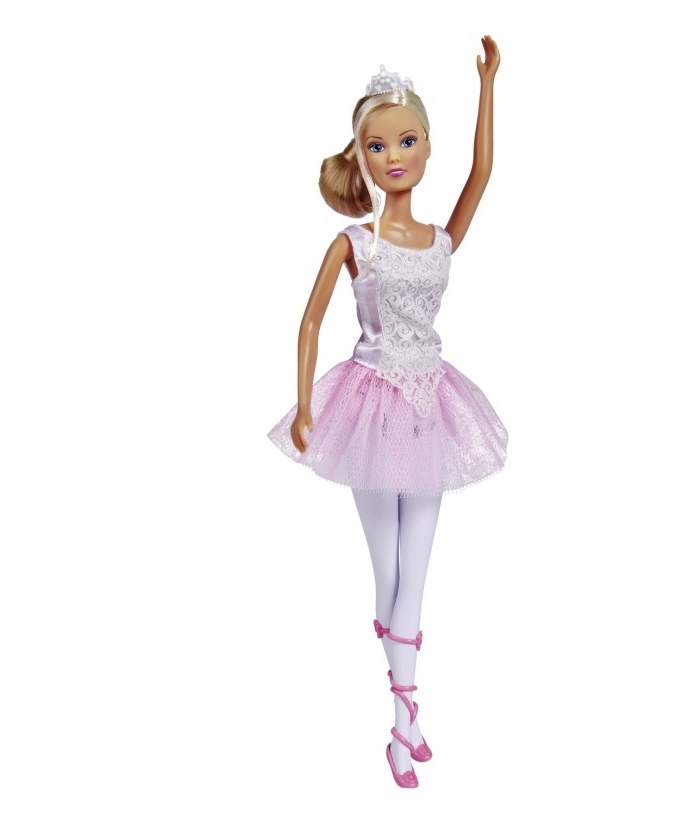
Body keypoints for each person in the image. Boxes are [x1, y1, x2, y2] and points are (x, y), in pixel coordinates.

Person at [267, 36, 506, 788]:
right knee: (388, 566)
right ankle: (405, 717)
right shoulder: (353, 243)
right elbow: (309, 322)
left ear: (426, 146)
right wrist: (304, 404)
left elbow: (483, 173)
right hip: (367, 409)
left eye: (406, 141)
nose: (393, 156)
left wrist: (488, 85)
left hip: (432, 408)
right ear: (361, 157)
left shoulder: (439, 241)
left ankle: (404, 722)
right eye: (378, 145)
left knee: (417, 570)